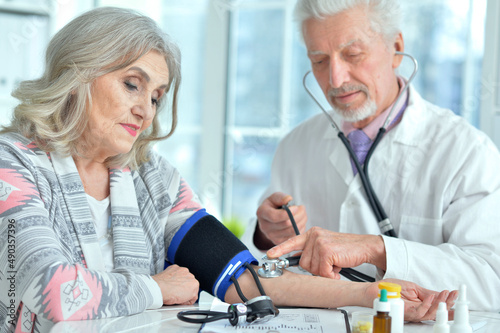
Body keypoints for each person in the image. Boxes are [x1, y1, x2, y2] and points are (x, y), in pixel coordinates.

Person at [0, 6, 456, 333]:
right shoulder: (13, 164)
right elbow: (55, 293)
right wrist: (157, 288)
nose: (145, 111)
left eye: (156, 96)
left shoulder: (152, 179)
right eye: (131, 84)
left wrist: (377, 294)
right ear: (77, 72)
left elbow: (245, 279)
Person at [241, 0, 500, 311]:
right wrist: (267, 235)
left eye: (353, 54)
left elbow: (491, 280)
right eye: (320, 60)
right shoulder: (296, 146)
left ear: (396, 47)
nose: (335, 79)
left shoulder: (465, 152)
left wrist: (377, 249)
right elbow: (262, 273)